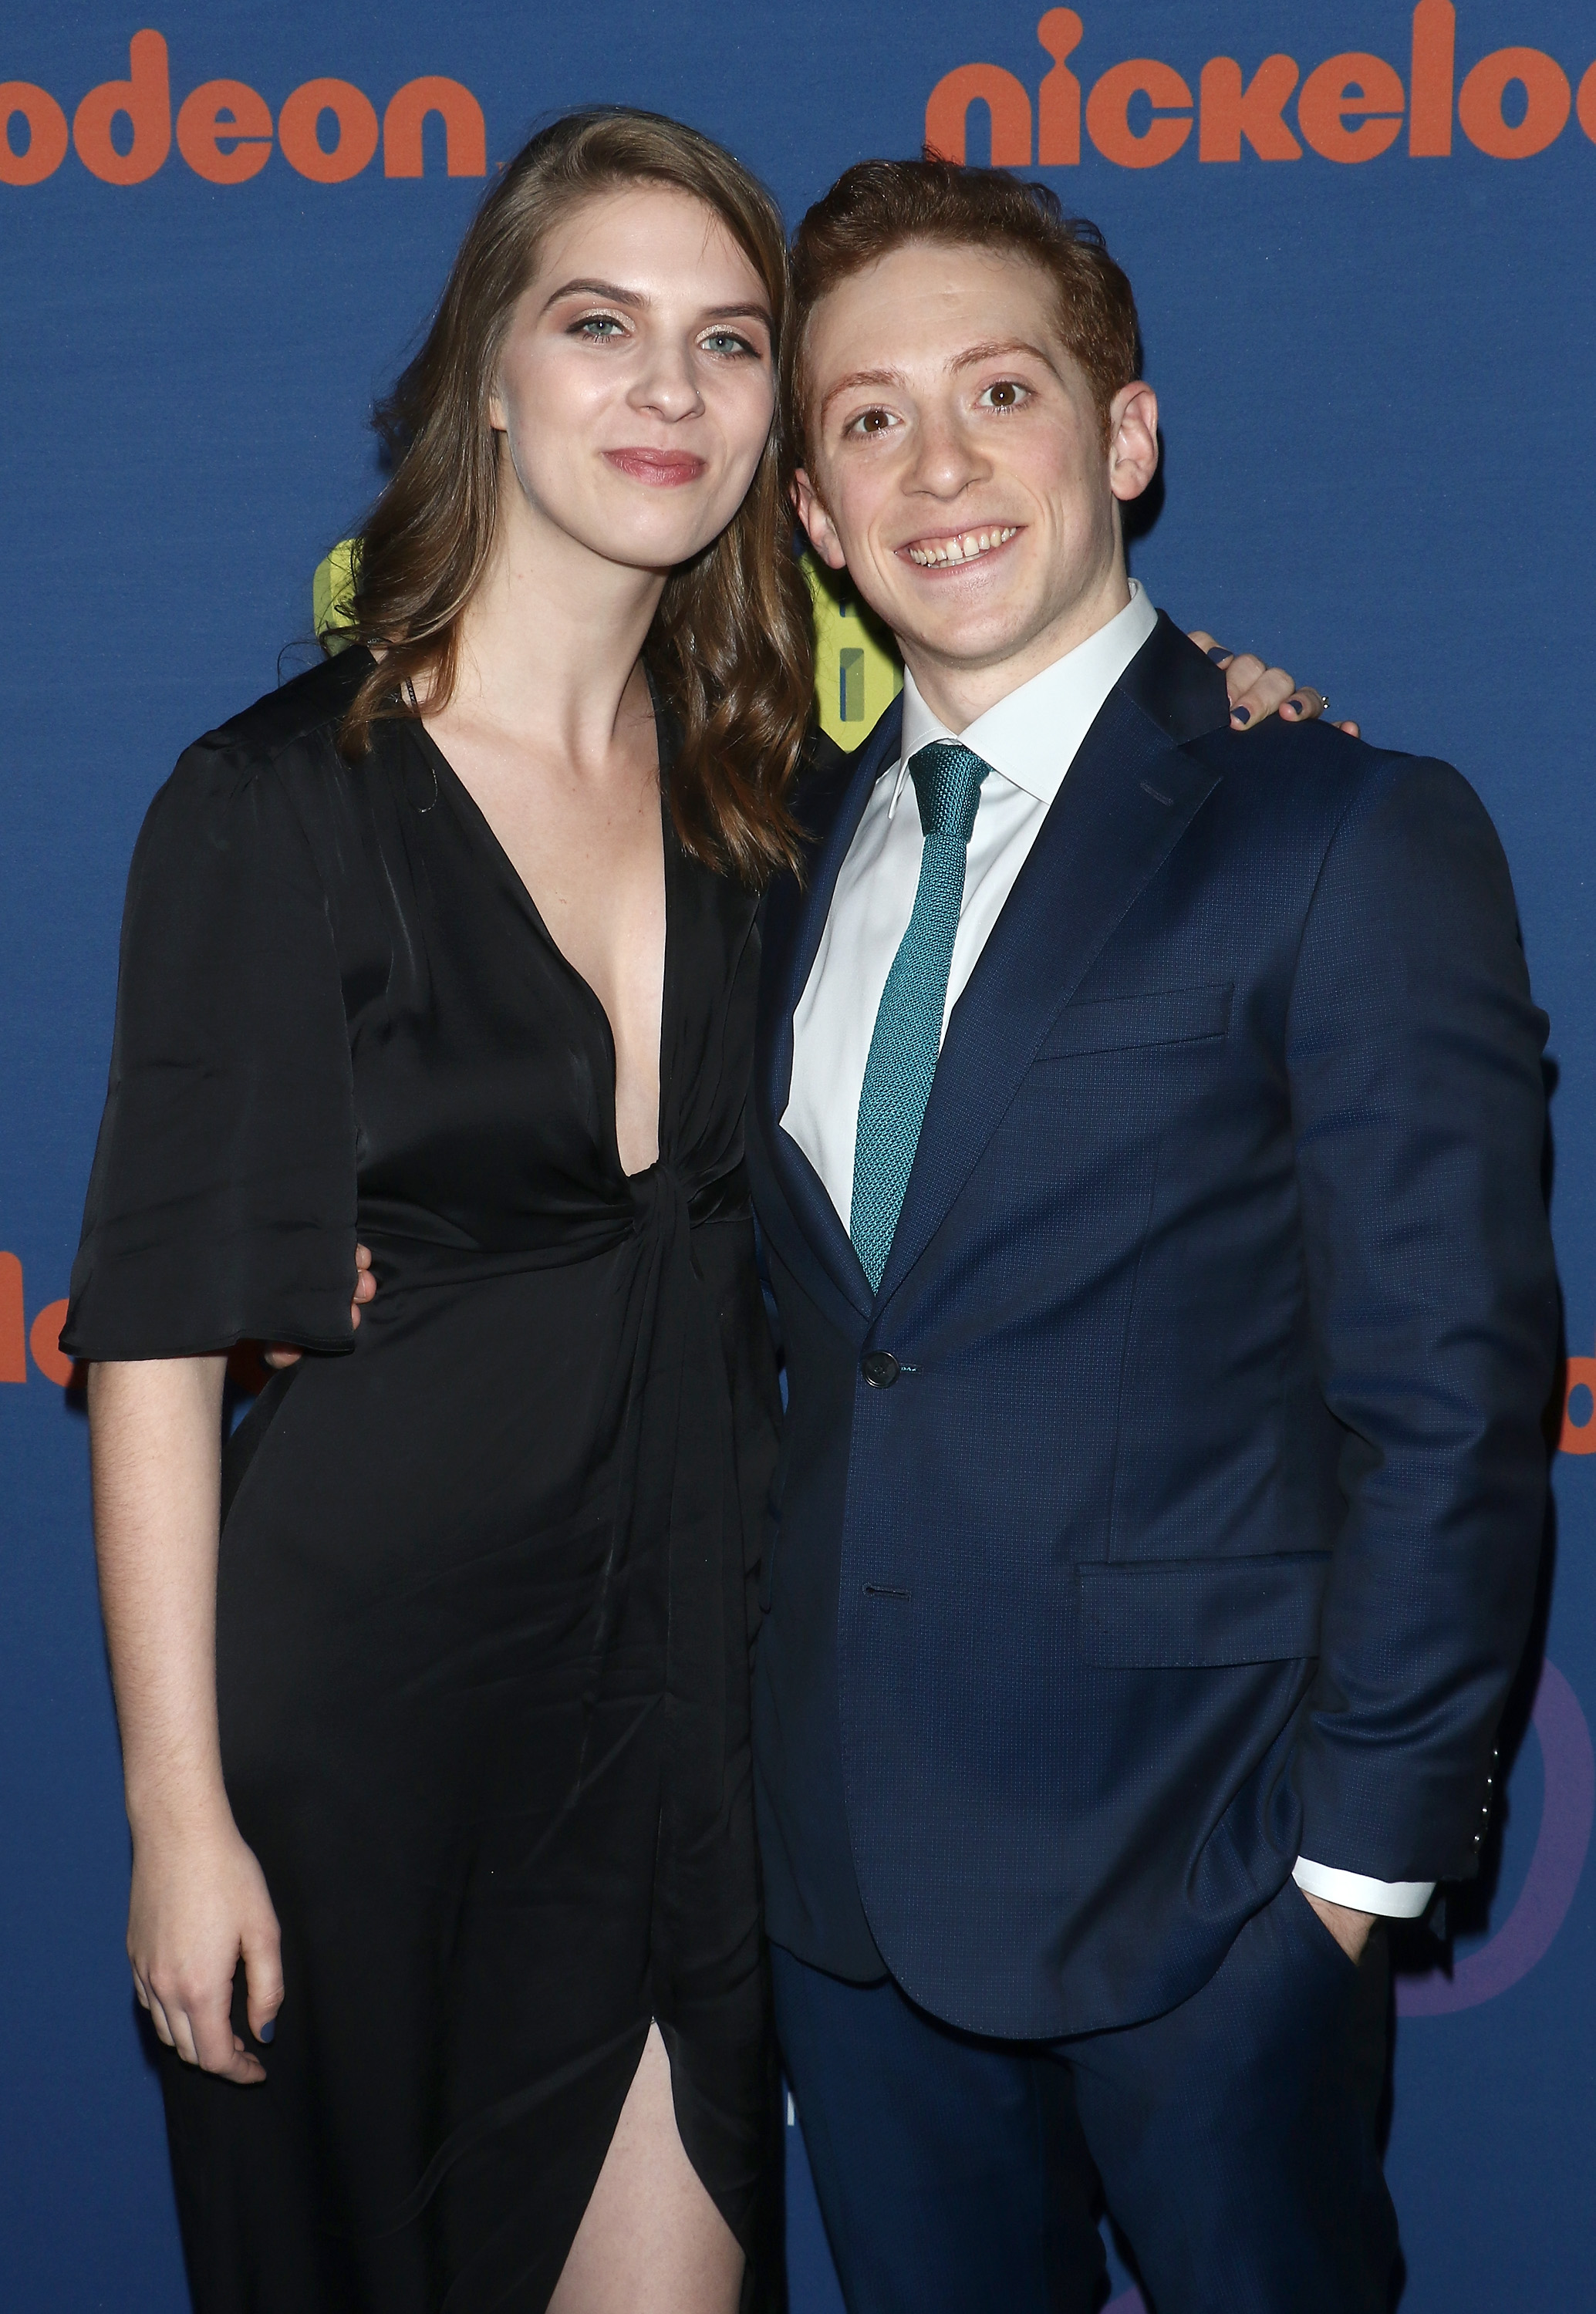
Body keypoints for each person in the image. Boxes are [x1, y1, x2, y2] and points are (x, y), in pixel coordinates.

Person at [64, 106, 1331, 2313]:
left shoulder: (787, 810)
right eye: (603, 327)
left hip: (701, 1710)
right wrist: (184, 1826)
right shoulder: (269, 806)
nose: (668, 390)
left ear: (776, 431)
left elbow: (1042, 783)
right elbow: (161, 1350)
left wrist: (1205, 701)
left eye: (731, 344)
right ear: (490, 371)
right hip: (365, 1720)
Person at [746, 160, 1557, 2314]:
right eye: (867, 418)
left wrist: (1348, 1881)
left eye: (1001, 392)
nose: (939, 466)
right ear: (813, 512)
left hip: (1204, 1895)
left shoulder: (1344, 829)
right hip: (843, 1897)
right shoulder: (787, 849)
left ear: (1123, 436)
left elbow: (1449, 1394)